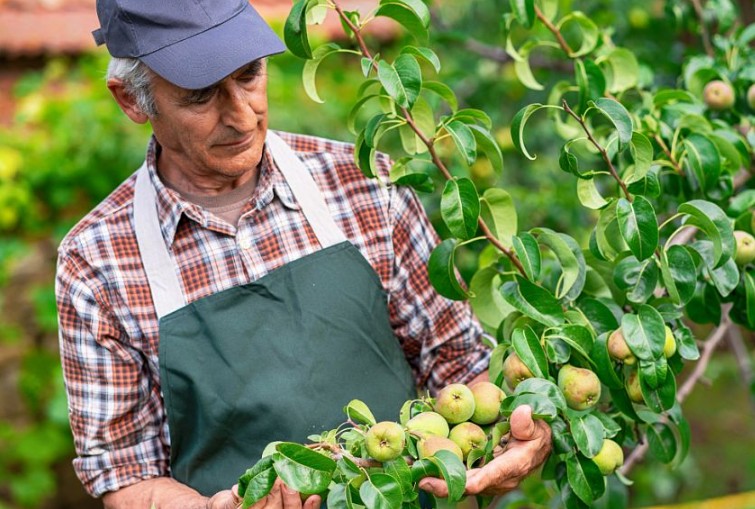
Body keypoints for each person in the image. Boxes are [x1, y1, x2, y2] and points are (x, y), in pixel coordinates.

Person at [54, 0, 551, 507]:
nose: (243, 115)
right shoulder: (96, 262)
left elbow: (460, 362)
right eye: (201, 95)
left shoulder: (366, 186)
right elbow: (122, 470)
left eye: (249, 74)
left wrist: (519, 436)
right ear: (133, 101)